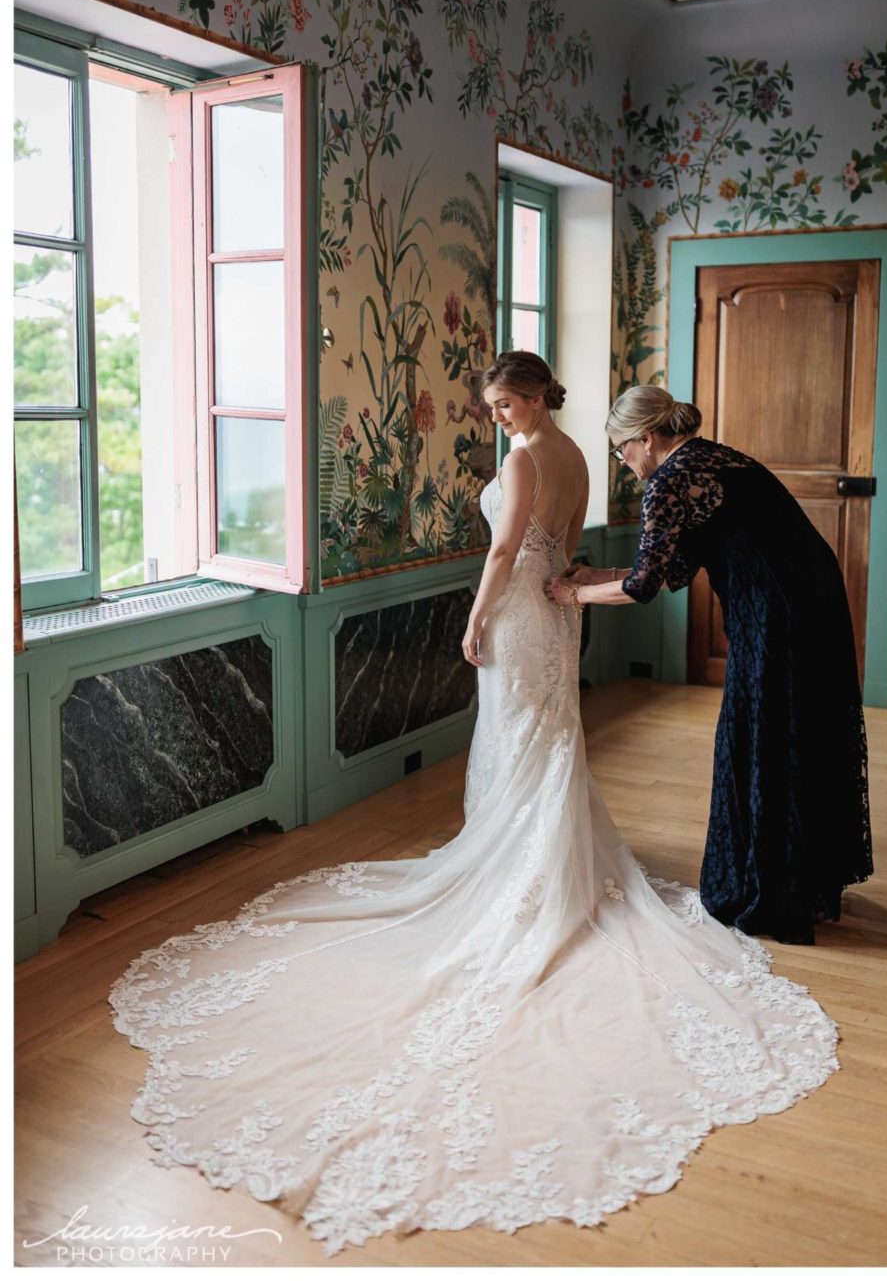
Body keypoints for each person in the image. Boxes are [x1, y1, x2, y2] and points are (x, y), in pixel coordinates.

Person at [108, 350, 837, 1256]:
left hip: (527, 607)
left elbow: (513, 549)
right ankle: (553, 858)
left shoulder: (543, 456)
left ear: (536, 399)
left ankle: (522, 873)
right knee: (550, 737)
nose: (494, 417)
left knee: (525, 739)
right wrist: (560, 587)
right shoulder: (572, 451)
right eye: (489, 405)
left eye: (501, 403)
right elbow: (589, 551)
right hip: (562, 607)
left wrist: (475, 614)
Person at [549, 385, 871, 946]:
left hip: (774, 614)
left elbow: (646, 586)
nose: (624, 465)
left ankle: (769, 892)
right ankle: (800, 879)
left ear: (647, 439)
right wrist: (594, 575)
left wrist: (573, 597)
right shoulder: (719, 459)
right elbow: (672, 567)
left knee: (762, 735)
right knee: (800, 731)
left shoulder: (669, 480)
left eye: (621, 450)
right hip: (816, 600)